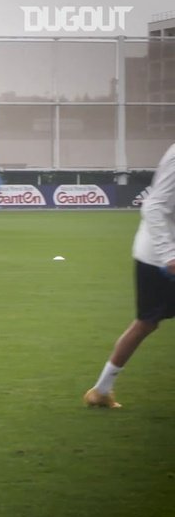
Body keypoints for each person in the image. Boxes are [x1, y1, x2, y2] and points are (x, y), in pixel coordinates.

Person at [84, 143, 175, 409]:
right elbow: (154, 206)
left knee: (146, 324)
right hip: (158, 255)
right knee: (145, 324)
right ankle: (101, 390)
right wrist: (169, 255)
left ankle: (101, 391)